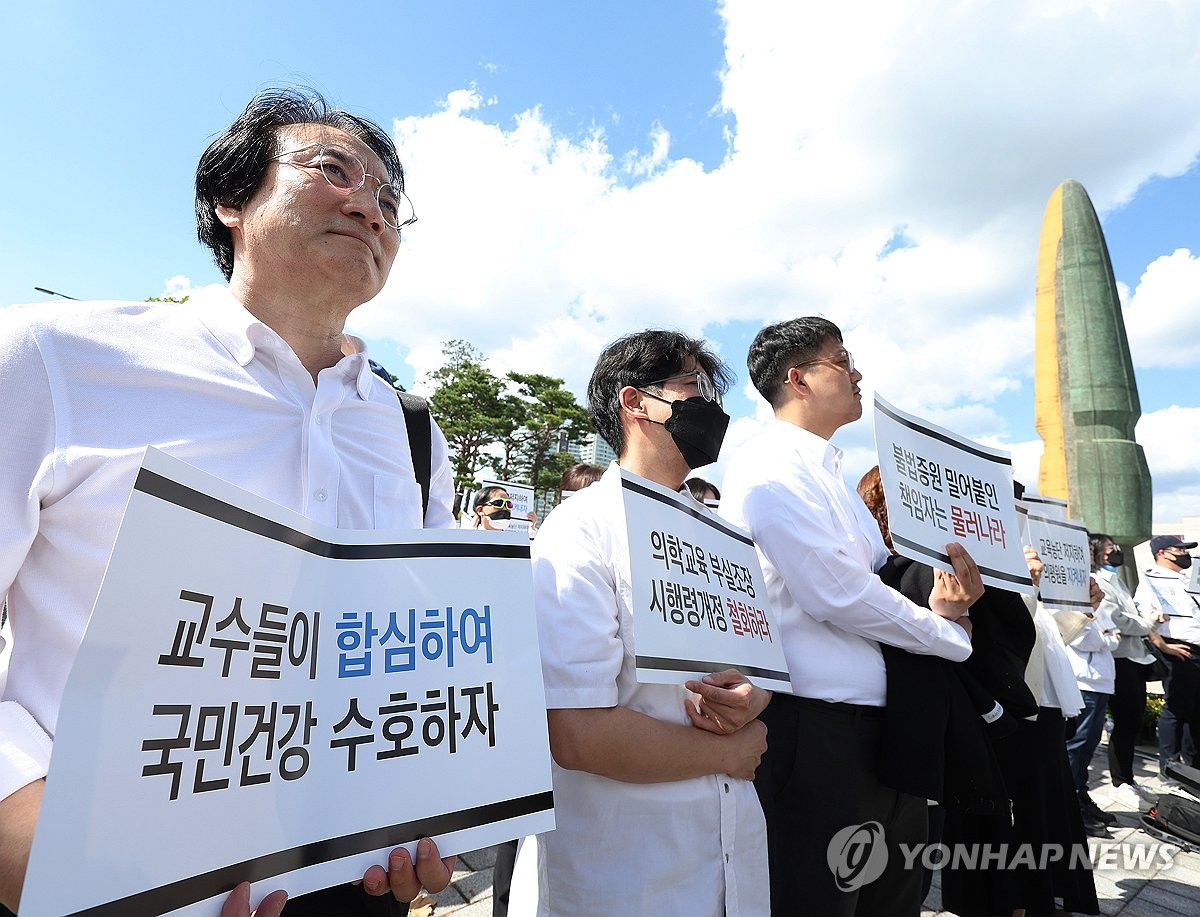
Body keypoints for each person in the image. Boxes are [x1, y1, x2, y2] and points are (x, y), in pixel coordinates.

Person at [0, 87, 457, 915]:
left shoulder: (413, 433)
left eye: (391, 201)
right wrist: (33, 847)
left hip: (354, 881)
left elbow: (420, 656)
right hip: (107, 885)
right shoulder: (53, 361)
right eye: (334, 170)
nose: (372, 205)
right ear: (230, 200)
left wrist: (431, 806)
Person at [720, 317, 981, 916]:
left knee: (890, 900)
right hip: (816, 733)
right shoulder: (771, 471)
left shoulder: (831, 477)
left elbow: (881, 576)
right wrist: (943, 632)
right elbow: (836, 592)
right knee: (819, 899)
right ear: (798, 378)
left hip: (878, 730)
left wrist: (949, 590)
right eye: (842, 360)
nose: (857, 372)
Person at [528, 330, 770, 916]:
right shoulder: (580, 529)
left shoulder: (723, 538)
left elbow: (762, 671)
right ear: (636, 402)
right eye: (694, 386)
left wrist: (750, 699)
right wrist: (723, 755)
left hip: (733, 852)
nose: (711, 406)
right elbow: (577, 732)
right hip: (627, 869)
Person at [1090, 534, 1161, 807]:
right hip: (1118, 658)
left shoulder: (1115, 579)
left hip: (1132, 657)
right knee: (1122, 721)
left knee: (1130, 721)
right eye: (1109, 548)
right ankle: (1120, 781)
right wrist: (1147, 623)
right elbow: (1117, 620)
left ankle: (1127, 778)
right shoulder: (1098, 581)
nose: (1115, 552)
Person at [1060, 535, 1120, 836]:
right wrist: (1107, 638)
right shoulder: (1063, 589)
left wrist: (1106, 637)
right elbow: (1087, 636)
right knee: (1076, 747)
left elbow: (1112, 631)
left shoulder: (1092, 586)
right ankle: (1070, 807)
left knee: (1087, 749)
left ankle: (1080, 797)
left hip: (1100, 681)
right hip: (1083, 680)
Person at [1136, 535, 1200, 772]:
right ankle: (1170, 766)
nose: (1184, 554)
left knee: (1196, 711)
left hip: (1196, 647)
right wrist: (1163, 646)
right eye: (1179, 549)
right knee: (1176, 708)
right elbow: (1143, 618)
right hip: (1179, 648)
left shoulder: (1189, 578)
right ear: (1162, 553)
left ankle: (1193, 766)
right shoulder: (1152, 579)